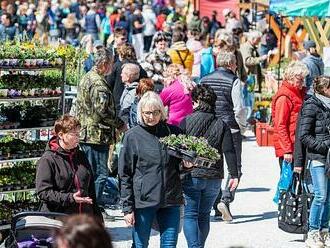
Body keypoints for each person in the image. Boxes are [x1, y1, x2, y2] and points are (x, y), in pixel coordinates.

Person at [119, 91, 186, 248]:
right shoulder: (132, 136)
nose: (151, 117)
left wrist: (187, 165)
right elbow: (124, 174)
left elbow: (181, 167)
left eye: (155, 112)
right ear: (141, 112)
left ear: (161, 111)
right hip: (144, 201)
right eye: (147, 113)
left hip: (170, 199)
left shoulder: (174, 133)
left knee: (169, 245)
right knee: (140, 244)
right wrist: (127, 208)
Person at [179, 85, 239, 248]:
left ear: (197, 101)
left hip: (192, 175)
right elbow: (229, 150)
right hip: (214, 177)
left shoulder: (186, 121)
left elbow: (178, 150)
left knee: (190, 215)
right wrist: (234, 174)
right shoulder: (222, 124)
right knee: (204, 215)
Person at [200, 52, 246, 221]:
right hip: (230, 127)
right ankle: (226, 199)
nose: (236, 67)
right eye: (235, 64)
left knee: (213, 165)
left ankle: (216, 203)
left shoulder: (204, 79)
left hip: (209, 127)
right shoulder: (233, 80)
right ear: (231, 64)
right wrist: (241, 126)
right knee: (235, 168)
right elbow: (239, 108)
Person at [76, 48, 124, 208]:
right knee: (100, 175)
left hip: (90, 133)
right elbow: (103, 111)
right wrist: (120, 124)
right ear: (104, 64)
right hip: (96, 136)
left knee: (91, 175)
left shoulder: (88, 77)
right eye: (111, 62)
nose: (112, 65)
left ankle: (89, 209)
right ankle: (92, 210)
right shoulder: (97, 83)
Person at [36, 115, 102, 219]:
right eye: (74, 134)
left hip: (84, 219)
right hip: (59, 219)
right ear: (61, 135)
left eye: (78, 134)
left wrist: (98, 219)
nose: (78, 137)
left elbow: (91, 190)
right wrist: (70, 198)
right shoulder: (48, 159)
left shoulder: (81, 155)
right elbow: (43, 192)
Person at [299, 76, 330, 248]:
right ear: (325, 89)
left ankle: (325, 231)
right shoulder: (312, 104)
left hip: (329, 157)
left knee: (329, 198)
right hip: (318, 157)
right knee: (320, 195)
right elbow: (303, 135)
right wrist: (323, 146)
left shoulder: (328, 105)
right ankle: (313, 232)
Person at [271, 61, 308, 169]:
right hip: (289, 147)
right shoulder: (284, 97)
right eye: (300, 80)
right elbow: (280, 125)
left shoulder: (298, 92)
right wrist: (287, 150)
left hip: (296, 145)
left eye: (303, 79)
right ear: (291, 78)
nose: (302, 82)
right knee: (288, 182)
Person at [106, 43, 147, 114]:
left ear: (121, 54)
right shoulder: (138, 67)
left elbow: (108, 84)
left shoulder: (116, 66)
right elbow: (145, 83)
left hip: (117, 104)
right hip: (134, 104)